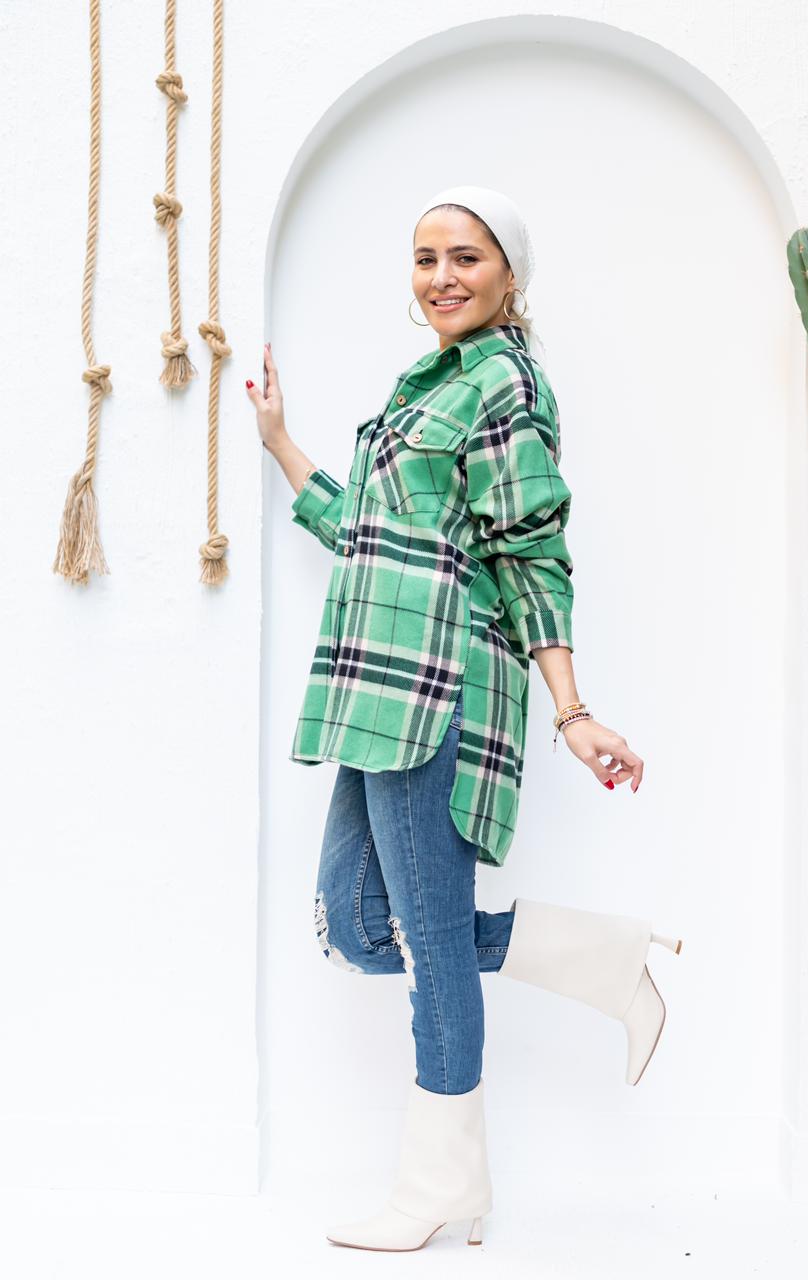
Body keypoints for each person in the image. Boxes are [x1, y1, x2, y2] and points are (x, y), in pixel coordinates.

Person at [245, 184, 682, 1252]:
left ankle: (440, 1184)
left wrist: (570, 708)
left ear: (508, 274)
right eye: (426, 257)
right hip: (375, 681)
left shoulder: (502, 385)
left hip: (437, 680)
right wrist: (283, 445)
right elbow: (377, 536)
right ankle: (602, 958)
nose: (442, 276)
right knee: (355, 925)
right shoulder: (431, 382)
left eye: (466, 257)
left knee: (432, 943)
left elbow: (531, 548)